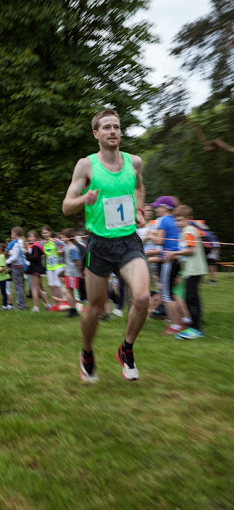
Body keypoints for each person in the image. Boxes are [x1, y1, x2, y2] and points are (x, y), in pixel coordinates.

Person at [62, 109, 149, 382]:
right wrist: (83, 199)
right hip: (99, 244)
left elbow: (139, 187)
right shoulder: (86, 166)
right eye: (107, 127)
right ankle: (87, 353)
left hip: (128, 241)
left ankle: (126, 349)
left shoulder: (134, 162)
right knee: (95, 309)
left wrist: (139, 209)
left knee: (142, 297)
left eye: (117, 127)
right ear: (96, 133)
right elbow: (66, 206)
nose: (113, 131)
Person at [165, 205, 208, 339]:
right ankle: (195, 325)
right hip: (190, 270)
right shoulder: (184, 231)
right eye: (176, 220)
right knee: (191, 297)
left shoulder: (188, 230)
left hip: (194, 270)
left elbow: (191, 250)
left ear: (189, 219)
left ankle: (195, 328)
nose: (177, 223)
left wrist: (174, 254)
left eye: (180, 220)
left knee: (191, 298)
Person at [151, 195, 183, 335]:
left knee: (166, 295)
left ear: (164, 207)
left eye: (157, 207)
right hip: (177, 259)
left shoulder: (164, 220)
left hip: (168, 260)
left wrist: (150, 235)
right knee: (171, 293)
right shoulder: (175, 220)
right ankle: (180, 321)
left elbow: (159, 241)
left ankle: (175, 325)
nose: (156, 209)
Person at [26, 230, 51, 311]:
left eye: (32, 236)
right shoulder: (33, 246)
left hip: (35, 269)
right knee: (38, 288)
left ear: (36, 237)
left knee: (34, 288)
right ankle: (47, 305)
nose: (30, 238)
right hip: (34, 268)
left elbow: (35, 258)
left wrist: (26, 253)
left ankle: (36, 307)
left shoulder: (36, 246)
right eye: (29, 236)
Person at [61, 228, 82, 318]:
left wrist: (80, 272)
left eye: (63, 237)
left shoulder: (73, 248)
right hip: (69, 272)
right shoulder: (67, 247)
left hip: (72, 273)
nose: (62, 239)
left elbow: (77, 261)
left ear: (67, 237)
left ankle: (73, 310)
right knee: (70, 291)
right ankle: (73, 310)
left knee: (69, 292)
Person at [41, 226, 65, 304]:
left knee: (57, 284)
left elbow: (66, 245)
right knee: (51, 285)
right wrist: (42, 255)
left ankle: (62, 301)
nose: (45, 234)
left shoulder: (55, 241)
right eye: (43, 233)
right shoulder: (42, 243)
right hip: (49, 266)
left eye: (46, 232)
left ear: (50, 233)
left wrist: (61, 251)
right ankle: (54, 303)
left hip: (58, 265)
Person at [6, 227, 27, 310]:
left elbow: (14, 257)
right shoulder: (22, 242)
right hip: (22, 266)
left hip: (16, 266)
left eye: (12, 232)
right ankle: (23, 304)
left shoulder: (16, 243)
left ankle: (20, 306)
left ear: (15, 232)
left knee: (18, 287)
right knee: (21, 286)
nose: (11, 234)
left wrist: (7, 261)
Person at [0, 243, 10, 309]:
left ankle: (5, 305)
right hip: (1, 277)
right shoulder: (2, 256)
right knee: (3, 291)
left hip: (2, 278)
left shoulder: (1, 256)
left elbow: (3, 268)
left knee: (3, 291)